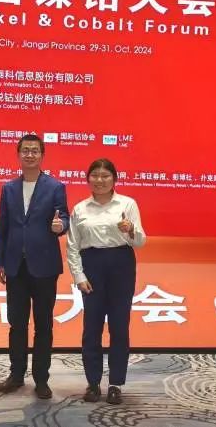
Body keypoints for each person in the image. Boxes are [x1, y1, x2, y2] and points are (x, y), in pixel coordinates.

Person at [0, 134, 69, 399]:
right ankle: (16, 374)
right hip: (15, 266)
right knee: (17, 324)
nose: (29, 155)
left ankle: (41, 378)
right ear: (19, 155)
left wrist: (61, 227)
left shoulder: (55, 186)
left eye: (34, 151)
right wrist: (0, 261)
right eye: (25, 150)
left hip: (44, 265)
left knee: (44, 325)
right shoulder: (9, 188)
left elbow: (64, 217)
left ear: (42, 155)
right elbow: (4, 226)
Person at [67, 159, 146, 405]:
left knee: (119, 327)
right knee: (91, 327)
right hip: (92, 266)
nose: (99, 180)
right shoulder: (80, 209)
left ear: (114, 179)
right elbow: (72, 246)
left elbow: (140, 241)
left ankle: (115, 384)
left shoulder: (127, 204)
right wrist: (79, 276)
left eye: (105, 176)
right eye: (95, 175)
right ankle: (92, 383)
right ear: (87, 179)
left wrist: (130, 229)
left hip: (121, 264)